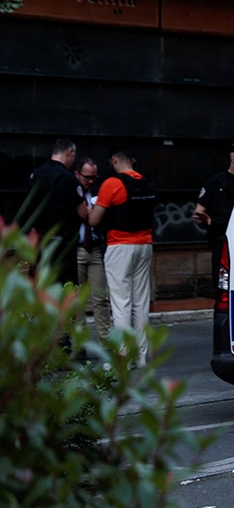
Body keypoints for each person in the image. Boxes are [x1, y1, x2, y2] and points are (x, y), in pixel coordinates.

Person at [89, 147, 156, 368]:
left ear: (115, 160)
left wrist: (91, 208)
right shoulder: (146, 182)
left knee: (121, 303)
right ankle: (141, 356)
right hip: (145, 245)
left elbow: (94, 220)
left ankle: (122, 357)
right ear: (132, 161)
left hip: (119, 246)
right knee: (141, 303)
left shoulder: (112, 184)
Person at [192, 143, 234, 299]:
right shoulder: (216, 182)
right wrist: (203, 219)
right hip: (221, 239)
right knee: (222, 285)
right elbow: (199, 212)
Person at [24, 138, 87, 285]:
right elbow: (83, 212)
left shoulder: (36, 174)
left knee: (39, 284)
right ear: (69, 152)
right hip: (61, 244)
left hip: (38, 242)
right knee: (63, 286)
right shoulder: (68, 178)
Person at [75, 157, 111, 342]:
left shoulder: (98, 192)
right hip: (77, 248)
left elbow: (100, 215)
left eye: (93, 178)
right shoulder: (72, 191)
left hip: (95, 248)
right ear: (77, 174)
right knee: (77, 300)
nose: (90, 181)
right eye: (87, 177)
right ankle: (79, 346)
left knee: (100, 298)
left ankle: (107, 342)